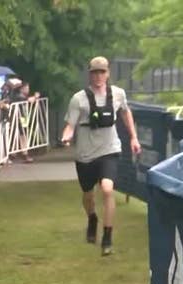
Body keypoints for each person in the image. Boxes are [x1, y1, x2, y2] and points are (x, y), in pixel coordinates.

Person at [60, 56, 141, 256]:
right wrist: (66, 137)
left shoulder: (118, 94)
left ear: (108, 73)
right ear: (89, 74)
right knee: (88, 195)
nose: (98, 76)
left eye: (102, 72)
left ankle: (107, 236)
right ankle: (92, 218)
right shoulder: (79, 99)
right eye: (95, 72)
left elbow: (125, 113)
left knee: (107, 189)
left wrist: (133, 138)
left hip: (109, 149)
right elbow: (70, 125)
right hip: (86, 154)